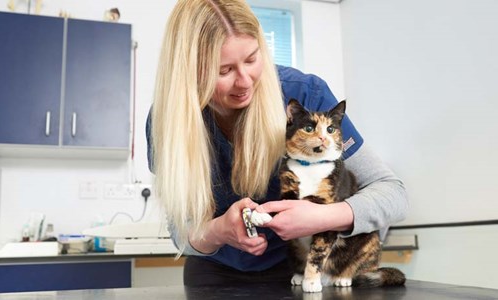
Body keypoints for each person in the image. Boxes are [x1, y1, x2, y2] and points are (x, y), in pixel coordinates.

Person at [146, 0, 408, 287]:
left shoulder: (305, 95)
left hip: (301, 269)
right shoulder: (167, 122)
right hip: (212, 274)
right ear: (190, 71)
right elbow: (179, 229)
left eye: (251, 59)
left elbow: (392, 194)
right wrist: (217, 231)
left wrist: (325, 217)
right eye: (224, 71)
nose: (245, 81)